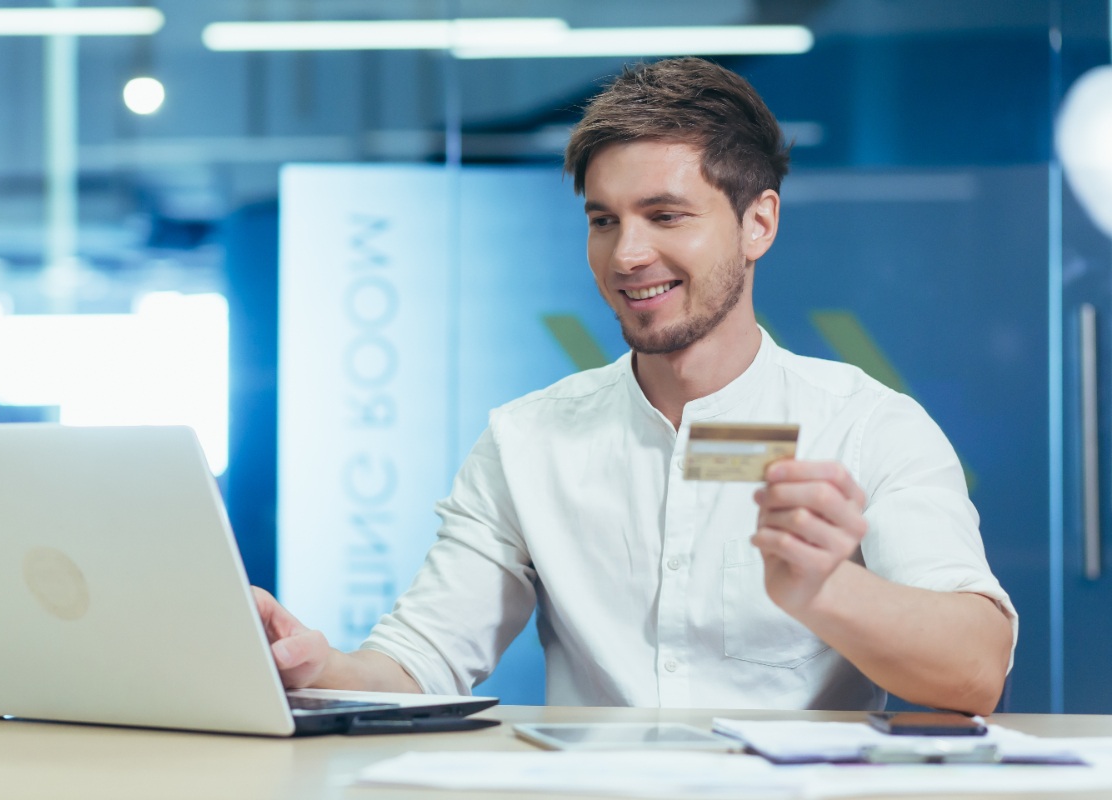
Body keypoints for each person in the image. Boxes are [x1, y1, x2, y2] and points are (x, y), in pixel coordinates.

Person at [255, 57, 1016, 714]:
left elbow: (976, 671)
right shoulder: (528, 441)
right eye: (605, 220)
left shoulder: (869, 427)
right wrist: (317, 670)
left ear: (759, 224)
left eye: (665, 215)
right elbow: (420, 660)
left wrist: (827, 592)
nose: (627, 255)